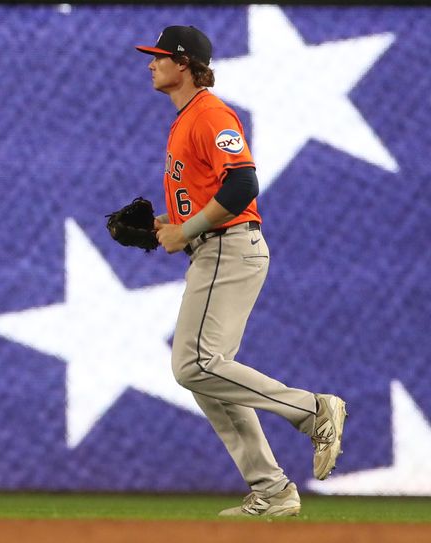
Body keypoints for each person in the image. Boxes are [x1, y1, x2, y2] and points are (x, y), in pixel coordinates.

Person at [135, 25, 347, 517]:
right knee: (207, 374)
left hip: (229, 249)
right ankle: (272, 491)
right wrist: (171, 225)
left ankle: (313, 411)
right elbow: (214, 193)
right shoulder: (187, 117)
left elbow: (243, 184)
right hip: (218, 248)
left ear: (183, 63)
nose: (151, 63)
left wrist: (186, 233)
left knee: (194, 365)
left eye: (160, 56)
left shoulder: (210, 113)